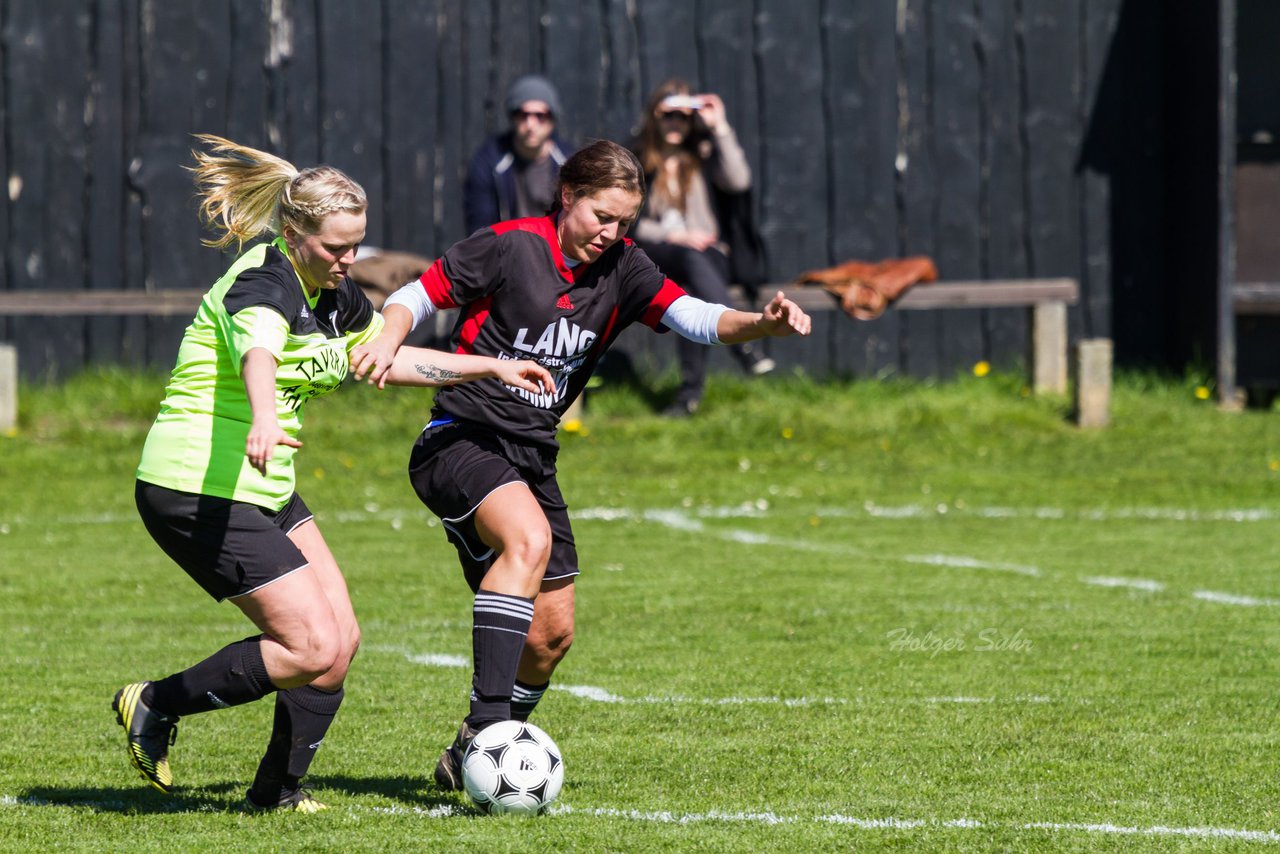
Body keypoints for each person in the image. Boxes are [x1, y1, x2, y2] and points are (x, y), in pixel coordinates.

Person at [351, 139, 812, 792]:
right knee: (528, 538)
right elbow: (415, 295)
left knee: (551, 638)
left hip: (533, 458)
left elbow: (698, 318)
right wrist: (389, 337)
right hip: (460, 439)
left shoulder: (625, 268)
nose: (612, 232)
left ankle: (465, 758)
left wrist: (761, 324)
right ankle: (490, 734)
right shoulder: (511, 245)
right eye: (602, 215)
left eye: (624, 221)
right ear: (568, 196)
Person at [114, 135, 553, 812]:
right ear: (294, 235)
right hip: (193, 483)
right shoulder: (264, 281)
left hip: (261, 483)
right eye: (337, 247)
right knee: (310, 643)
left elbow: (384, 359)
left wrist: (489, 365)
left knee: (339, 642)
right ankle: (155, 703)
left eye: (358, 245)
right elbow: (259, 352)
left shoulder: (335, 294)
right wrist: (263, 416)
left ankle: (275, 796)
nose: (351, 260)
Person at [632, 79, 775, 417]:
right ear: (655, 115)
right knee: (688, 257)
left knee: (693, 290)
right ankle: (743, 343)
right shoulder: (639, 160)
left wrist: (720, 126)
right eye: (668, 115)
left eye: (683, 117)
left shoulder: (704, 155)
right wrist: (676, 236)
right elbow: (632, 222)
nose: (675, 123)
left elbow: (739, 181)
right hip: (659, 252)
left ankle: (688, 398)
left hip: (709, 256)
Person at [464, 75, 573, 235]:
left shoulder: (569, 162)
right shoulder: (490, 161)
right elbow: (480, 227)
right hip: (505, 251)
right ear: (512, 118)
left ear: (552, 119)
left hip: (556, 253)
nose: (530, 125)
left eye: (540, 116)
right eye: (523, 115)